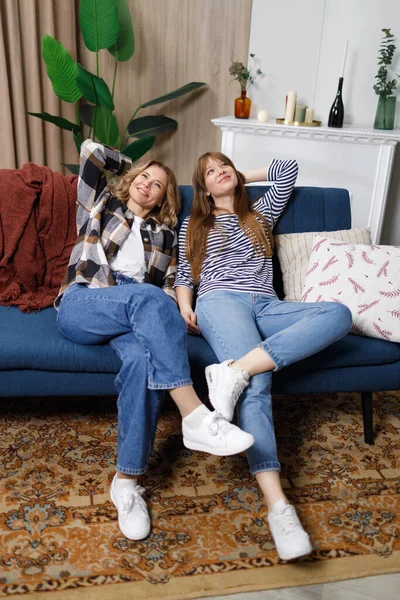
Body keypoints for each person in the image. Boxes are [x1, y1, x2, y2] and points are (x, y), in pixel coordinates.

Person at [55, 141, 255, 542]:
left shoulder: (164, 236)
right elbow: (93, 153)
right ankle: (196, 415)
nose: (148, 185)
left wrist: (181, 312)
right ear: (131, 182)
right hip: (85, 302)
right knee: (145, 296)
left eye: (159, 184)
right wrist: (136, 167)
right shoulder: (98, 206)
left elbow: (168, 287)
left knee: (143, 363)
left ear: (167, 198)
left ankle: (126, 483)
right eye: (144, 178)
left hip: (134, 315)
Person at [175, 152, 352, 561]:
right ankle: (280, 508)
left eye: (223, 166)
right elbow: (185, 274)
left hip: (268, 304)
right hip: (221, 301)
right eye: (209, 172)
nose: (219, 173)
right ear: (201, 188)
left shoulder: (260, 211)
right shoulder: (195, 224)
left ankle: (234, 370)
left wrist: (237, 176)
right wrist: (186, 304)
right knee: (258, 386)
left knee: (339, 314)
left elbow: (288, 168)